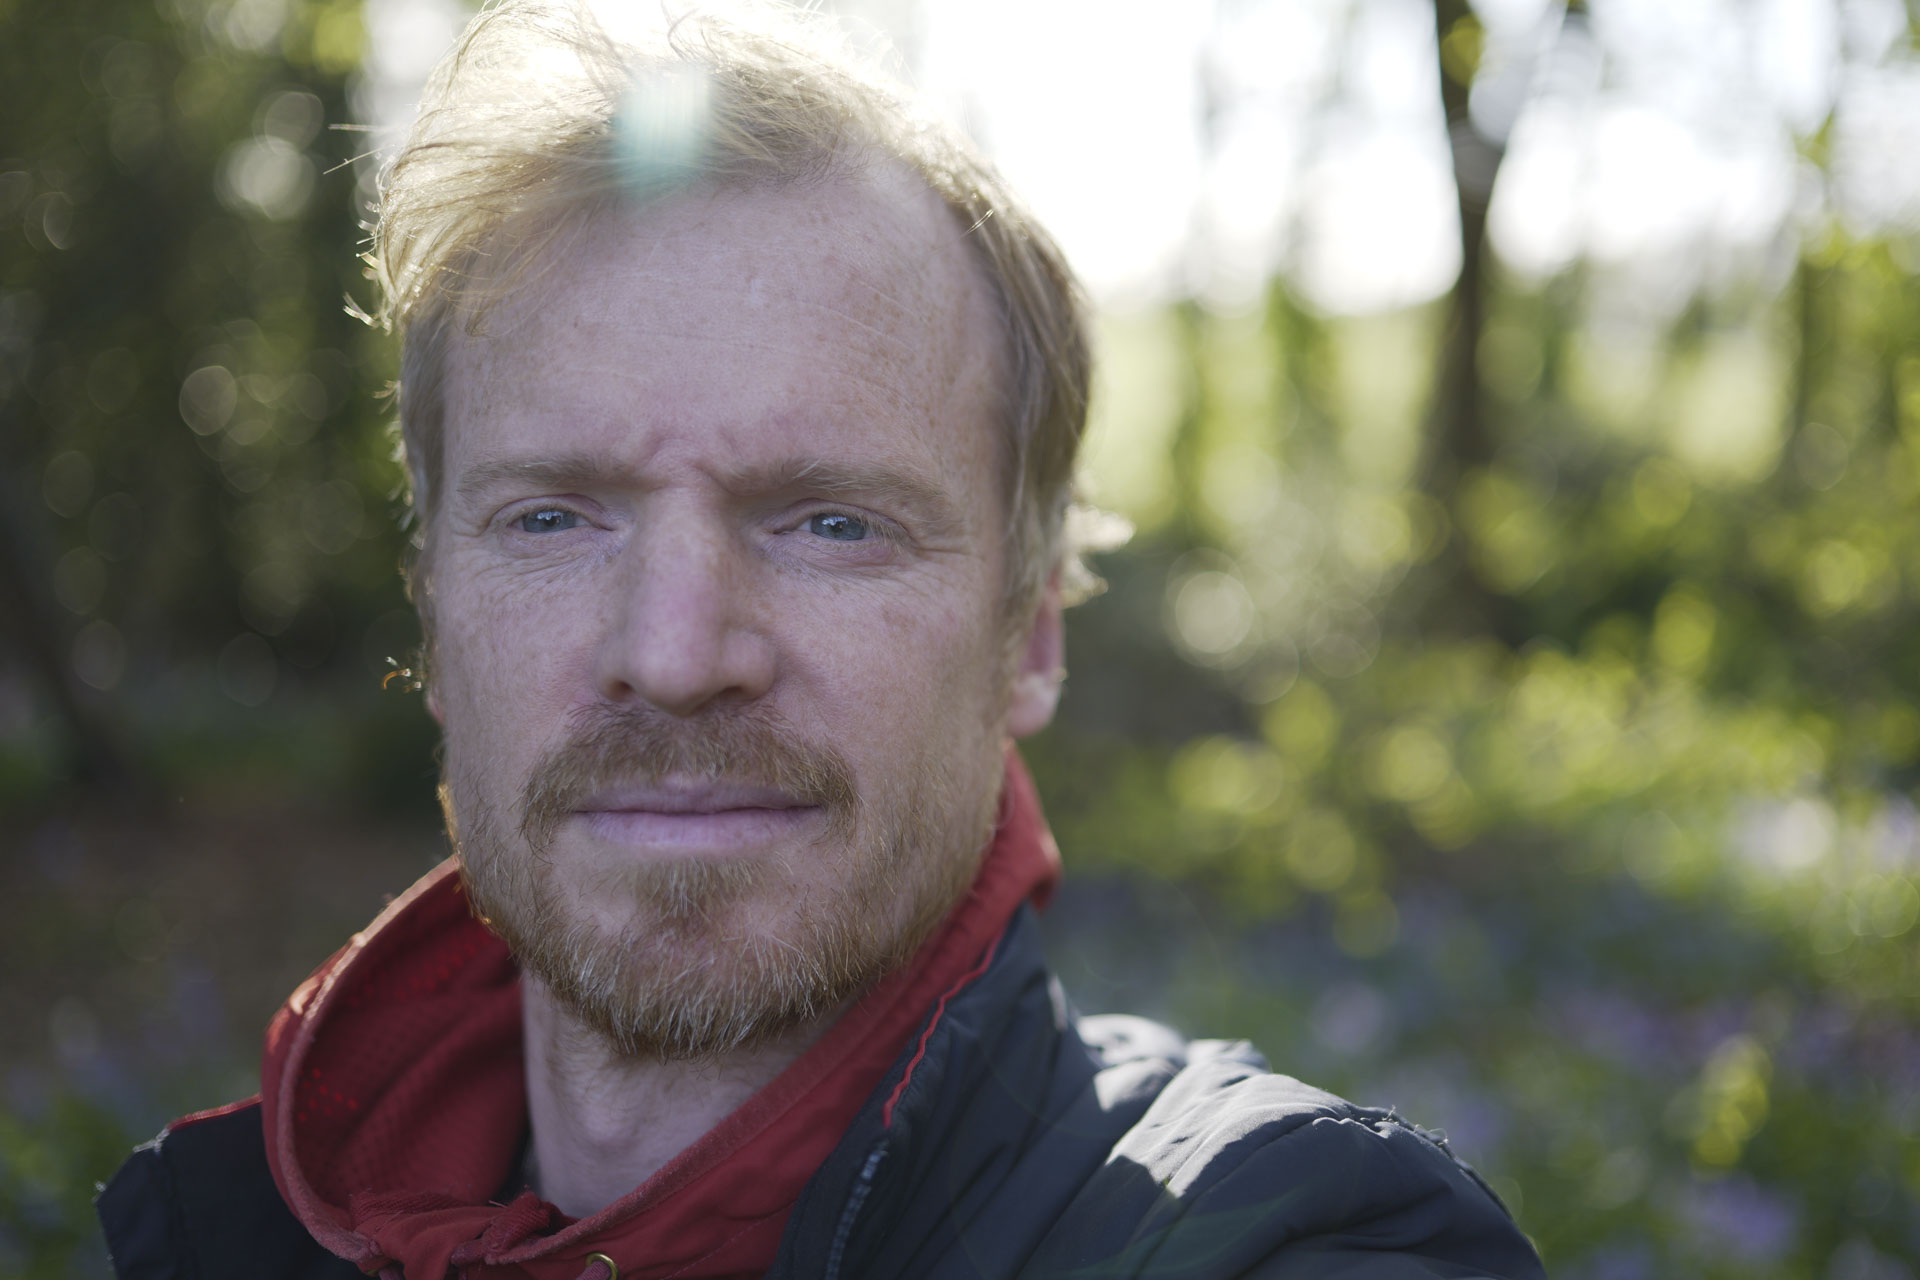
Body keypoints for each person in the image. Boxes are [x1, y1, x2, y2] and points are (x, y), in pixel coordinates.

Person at [96, 4, 1545, 1277]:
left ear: (1029, 639)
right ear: (434, 609)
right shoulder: (229, 1235)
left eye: (830, 524)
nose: (673, 654)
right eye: (553, 520)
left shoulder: (1284, 1240)